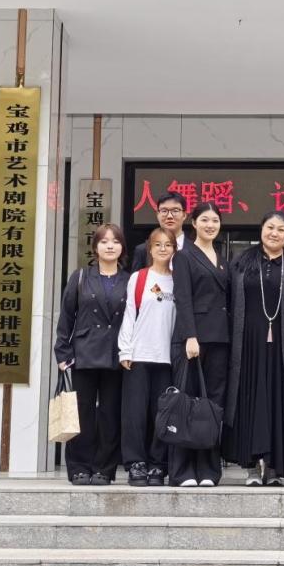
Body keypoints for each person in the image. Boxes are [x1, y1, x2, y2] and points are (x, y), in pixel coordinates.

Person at [223, 211, 284, 486]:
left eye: (281, 229)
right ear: (261, 230)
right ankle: (251, 468)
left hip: (283, 345)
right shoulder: (240, 261)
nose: (274, 233)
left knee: (279, 402)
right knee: (250, 400)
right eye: (270, 227)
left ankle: (274, 467)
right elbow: (228, 303)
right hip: (247, 344)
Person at [54, 224, 130, 485]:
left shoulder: (130, 279)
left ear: (122, 247)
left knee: (110, 414)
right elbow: (66, 316)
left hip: (117, 355)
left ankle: (104, 469)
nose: (110, 246)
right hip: (83, 354)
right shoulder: (81, 277)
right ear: (95, 247)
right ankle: (79, 467)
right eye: (104, 241)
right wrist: (63, 352)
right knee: (82, 412)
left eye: (115, 241)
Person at [170, 202, 231, 487]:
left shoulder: (222, 257)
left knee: (211, 405)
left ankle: (208, 470)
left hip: (220, 339)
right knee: (187, 402)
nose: (210, 225)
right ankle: (182, 471)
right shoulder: (184, 256)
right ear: (193, 223)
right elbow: (182, 297)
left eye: (215, 220)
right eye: (204, 220)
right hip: (194, 340)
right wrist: (190, 336)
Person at [118, 227, 177, 486]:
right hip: (139, 355)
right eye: (158, 244)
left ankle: (158, 465)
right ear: (149, 249)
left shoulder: (178, 280)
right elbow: (129, 314)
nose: (163, 249)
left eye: (168, 244)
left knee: (161, 414)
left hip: (167, 358)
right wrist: (125, 350)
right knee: (134, 414)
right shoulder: (139, 277)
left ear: (174, 249)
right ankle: (135, 463)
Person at [131, 191, 188, 272]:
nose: (169, 216)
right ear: (157, 214)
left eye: (175, 211)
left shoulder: (196, 249)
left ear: (184, 215)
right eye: (164, 211)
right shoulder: (143, 250)